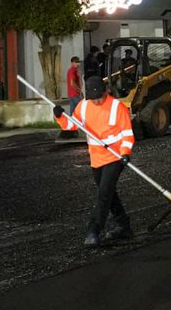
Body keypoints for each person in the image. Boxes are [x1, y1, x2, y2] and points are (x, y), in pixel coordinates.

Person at [53, 74, 134, 247]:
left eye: (99, 98)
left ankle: (93, 231)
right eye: (93, 99)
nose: (97, 102)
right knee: (109, 194)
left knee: (103, 194)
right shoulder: (83, 106)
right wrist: (60, 116)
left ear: (106, 91)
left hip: (116, 156)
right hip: (96, 158)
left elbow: (127, 134)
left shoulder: (117, 107)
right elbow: (71, 125)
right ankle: (124, 226)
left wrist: (125, 152)